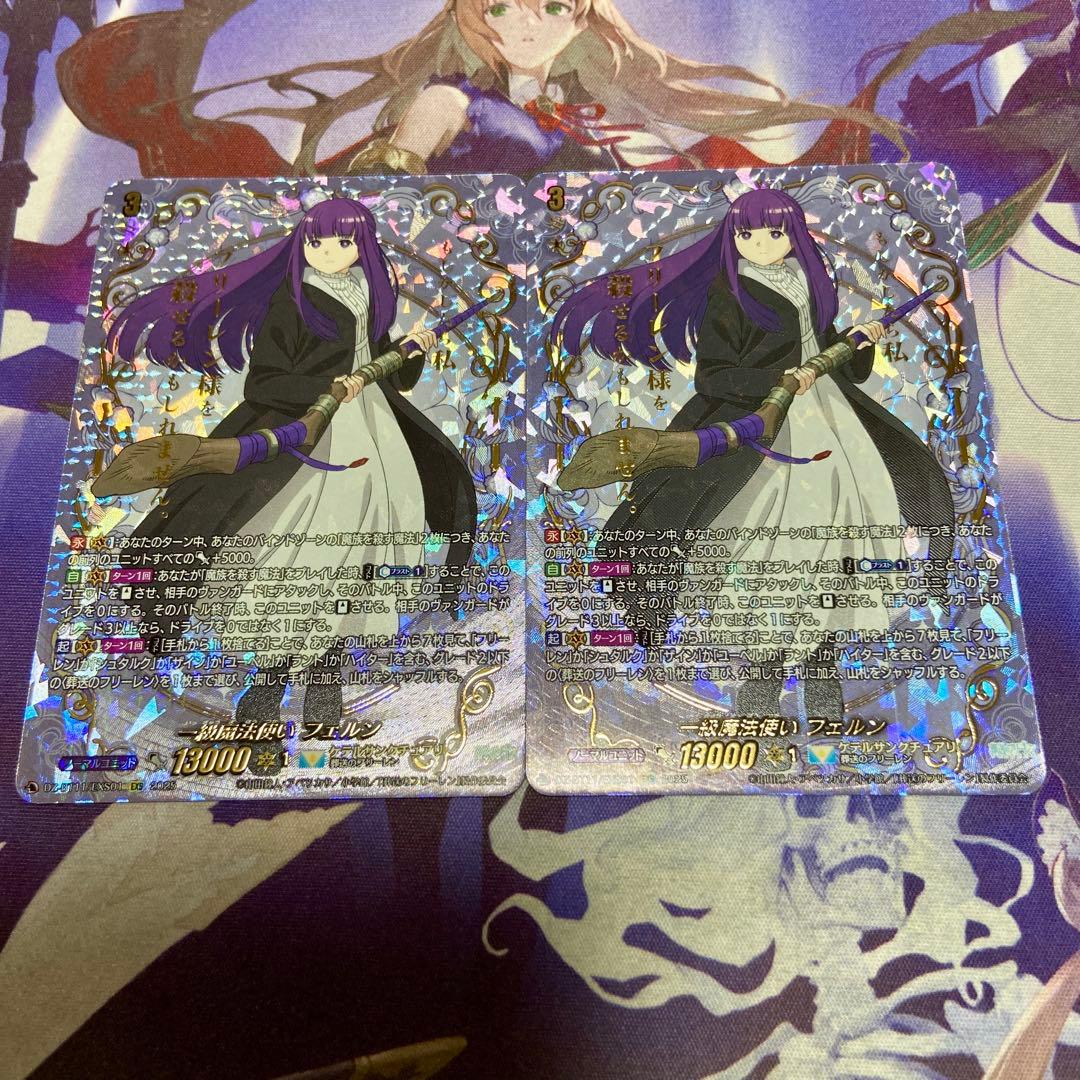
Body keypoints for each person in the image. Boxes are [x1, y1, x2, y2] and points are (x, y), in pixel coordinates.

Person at [552, 187, 955, 720]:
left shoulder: (808, 281)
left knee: (837, 549)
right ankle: (761, 686)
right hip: (766, 435)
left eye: (773, 232)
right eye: (746, 234)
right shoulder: (730, 292)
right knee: (775, 555)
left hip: (833, 426)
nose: (760, 244)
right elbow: (714, 376)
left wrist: (860, 342)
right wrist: (779, 381)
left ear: (793, 236)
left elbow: (832, 355)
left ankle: (823, 682)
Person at [106, 196, 477, 724]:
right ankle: (266, 689)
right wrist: (329, 388)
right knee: (305, 562)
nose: (329, 252)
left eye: (344, 242)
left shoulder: (367, 294)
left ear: (362, 248)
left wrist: (412, 351)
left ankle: (324, 689)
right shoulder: (292, 300)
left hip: (374, 437)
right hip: (307, 443)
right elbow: (264, 383)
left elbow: (388, 371)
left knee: (358, 562)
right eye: (317, 241)